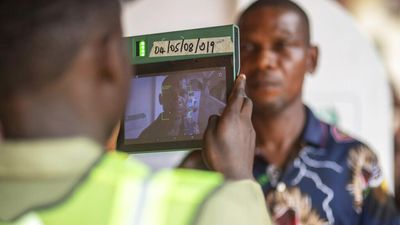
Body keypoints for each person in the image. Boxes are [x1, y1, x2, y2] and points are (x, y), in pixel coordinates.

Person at [0, 0, 272, 225]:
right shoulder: (208, 209)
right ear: (109, 60)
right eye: (170, 93)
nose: (176, 99)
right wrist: (238, 180)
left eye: (181, 92)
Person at [182, 0, 400, 224]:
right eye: (248, 47)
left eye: (282, 45)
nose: (264, 61)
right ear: (234, 59)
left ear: (311, 59)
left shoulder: (357, 160)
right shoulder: (201, 164)